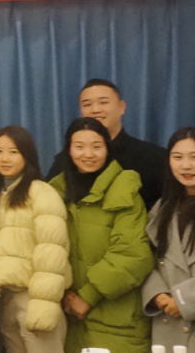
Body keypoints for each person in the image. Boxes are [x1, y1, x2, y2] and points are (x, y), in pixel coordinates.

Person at [48, 117, 153, 353]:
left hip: (116, 322)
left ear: (107, 149)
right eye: (79, 146)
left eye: (97, 146)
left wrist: (88, 296)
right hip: (68, 320)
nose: (88, 154)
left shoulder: (124, 189)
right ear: (69, 150)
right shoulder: (54, 192)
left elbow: (133, 254)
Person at [0, 126, 71, 353]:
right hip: (5, 299)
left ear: (27, 155)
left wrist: (43, 309)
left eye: (13, 152)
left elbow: (52, 255)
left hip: (34, 298)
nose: (5, 158)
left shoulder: (42, 193)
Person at [46, 79, 167, 209]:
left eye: (103, 102)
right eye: (87, 104)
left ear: (122, 107)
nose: (95, 109)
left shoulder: (154, 157)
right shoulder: (66, 159)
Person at [142, 127, 195, 351]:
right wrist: (158, 294)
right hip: (168, 325)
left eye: (194, 157)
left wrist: (183, 301)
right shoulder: (161, 208)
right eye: (177, 157)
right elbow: (146, 258)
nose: (186, 165)